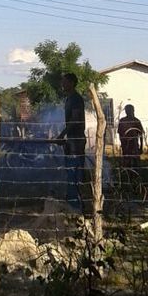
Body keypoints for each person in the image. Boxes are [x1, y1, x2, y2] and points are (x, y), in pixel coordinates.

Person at [57, 72, 86, 206]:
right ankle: (72, 202)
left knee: (74, 172)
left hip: (76, 141)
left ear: (72, 83)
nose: (62, 84)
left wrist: (62, 134)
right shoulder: (69, 99)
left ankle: (76, 205)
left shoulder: (76, 99)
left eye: (65, 81)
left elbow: (74, 120)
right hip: (71, 140)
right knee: (70, 172)